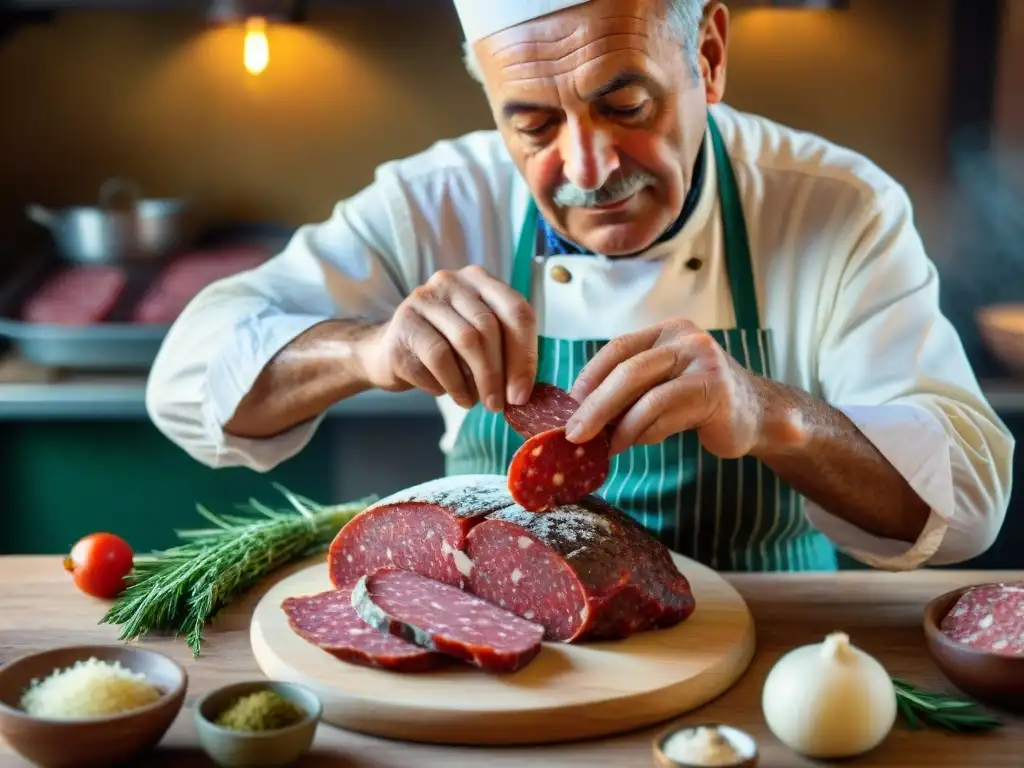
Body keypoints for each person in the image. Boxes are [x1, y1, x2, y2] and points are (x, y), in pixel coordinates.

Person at [146, 0, 1014, 573]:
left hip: (767, 652)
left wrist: (768, 414)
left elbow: (967, 504)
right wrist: (367, 350)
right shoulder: (433, 198)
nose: (588, 167)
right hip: (516, 658)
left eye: (626, 107)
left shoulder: (836, 204)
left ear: (707, 55)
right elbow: (186, 380)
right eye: (533, 124)